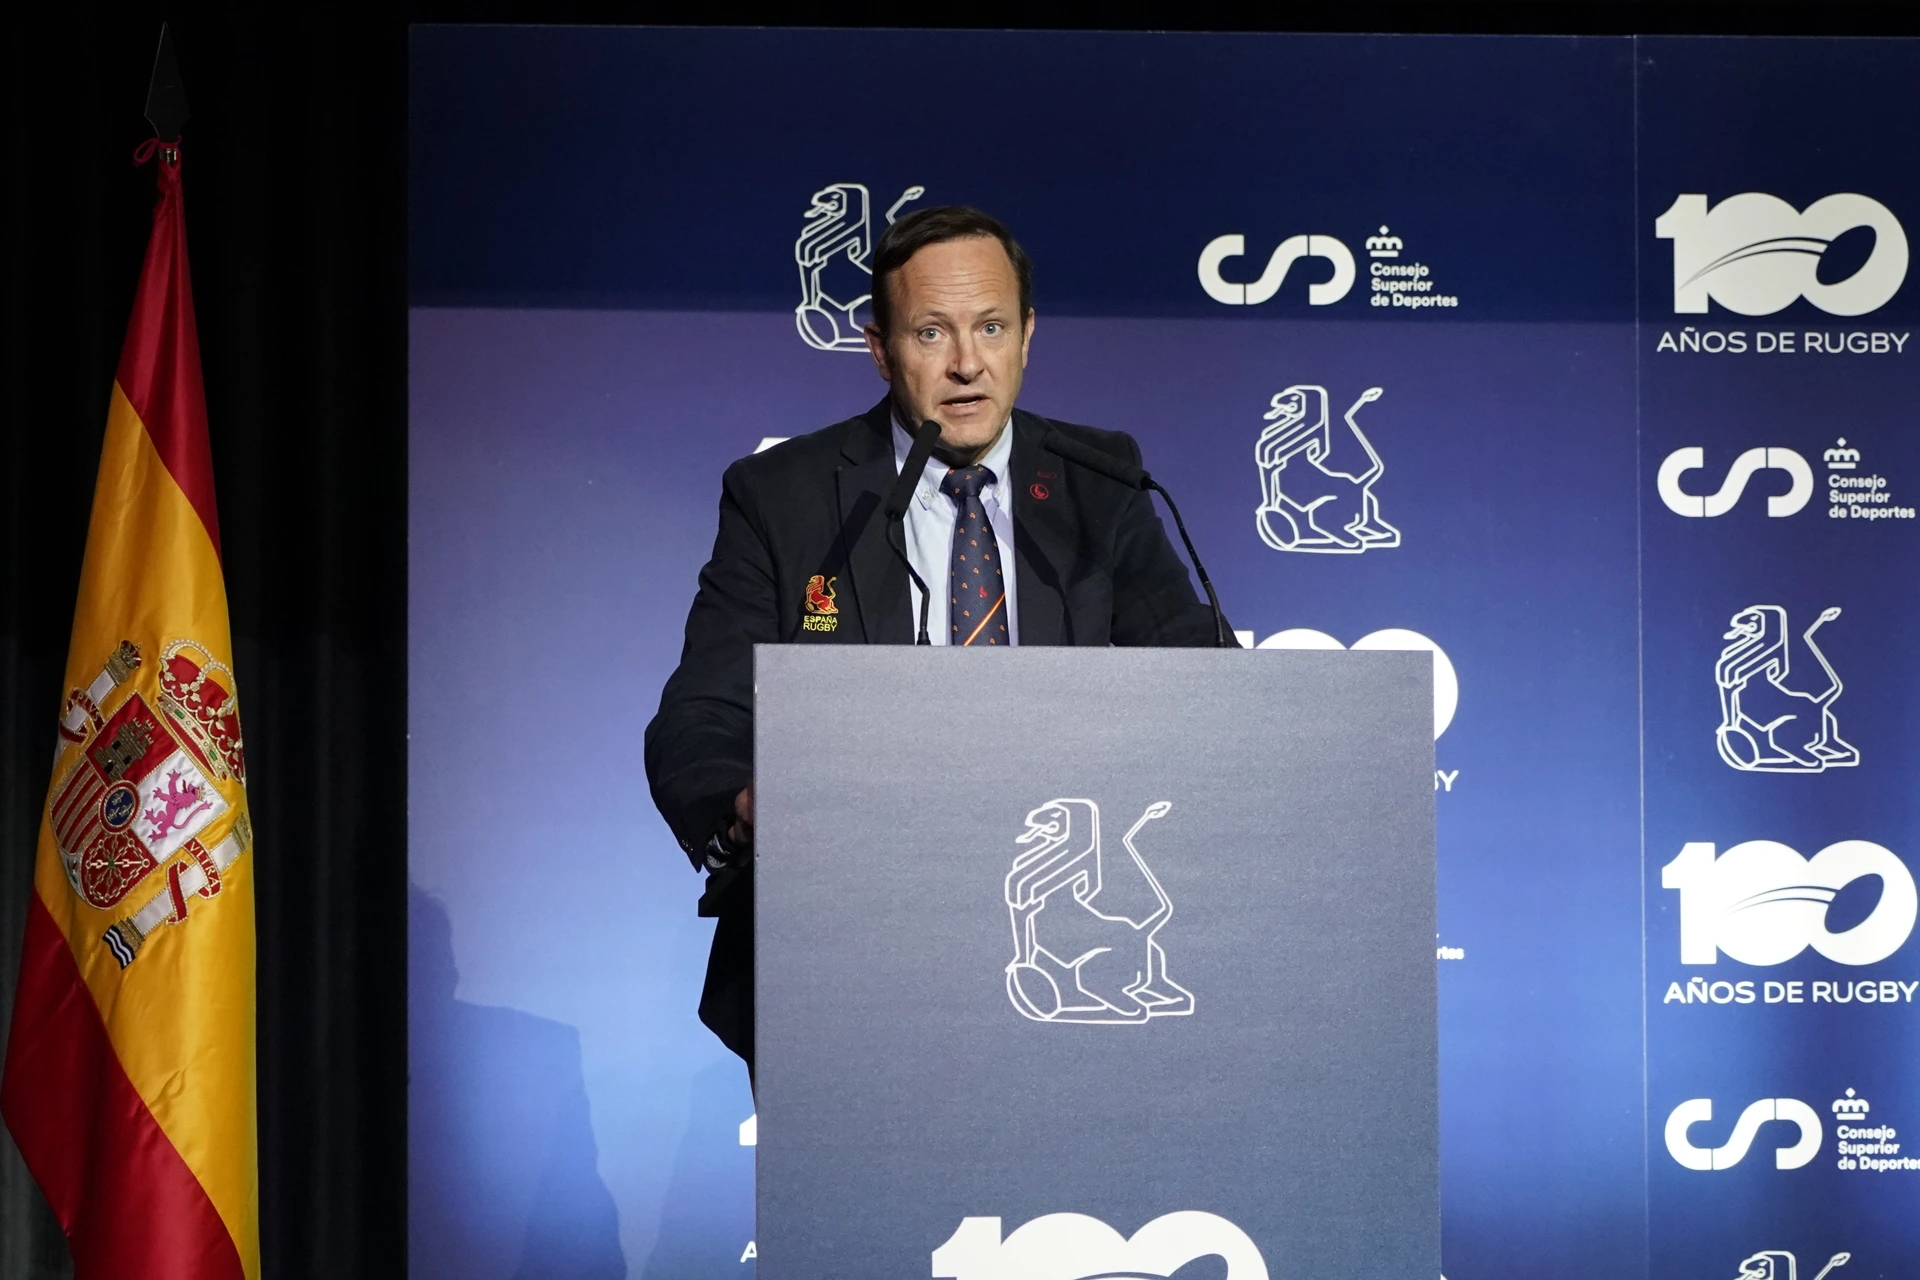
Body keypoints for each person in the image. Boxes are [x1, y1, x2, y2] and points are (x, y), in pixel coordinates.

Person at [644, 205, 1224, 1073]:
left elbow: (1209, 684)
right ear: (880, 349)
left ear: (1027, 335)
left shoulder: (1098, 483)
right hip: (846, 937)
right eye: (930, 332)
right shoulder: (785, 496)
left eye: (991, 327)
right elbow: (702, 713)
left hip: (1064, 920)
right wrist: (746, 803)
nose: (966, 363)